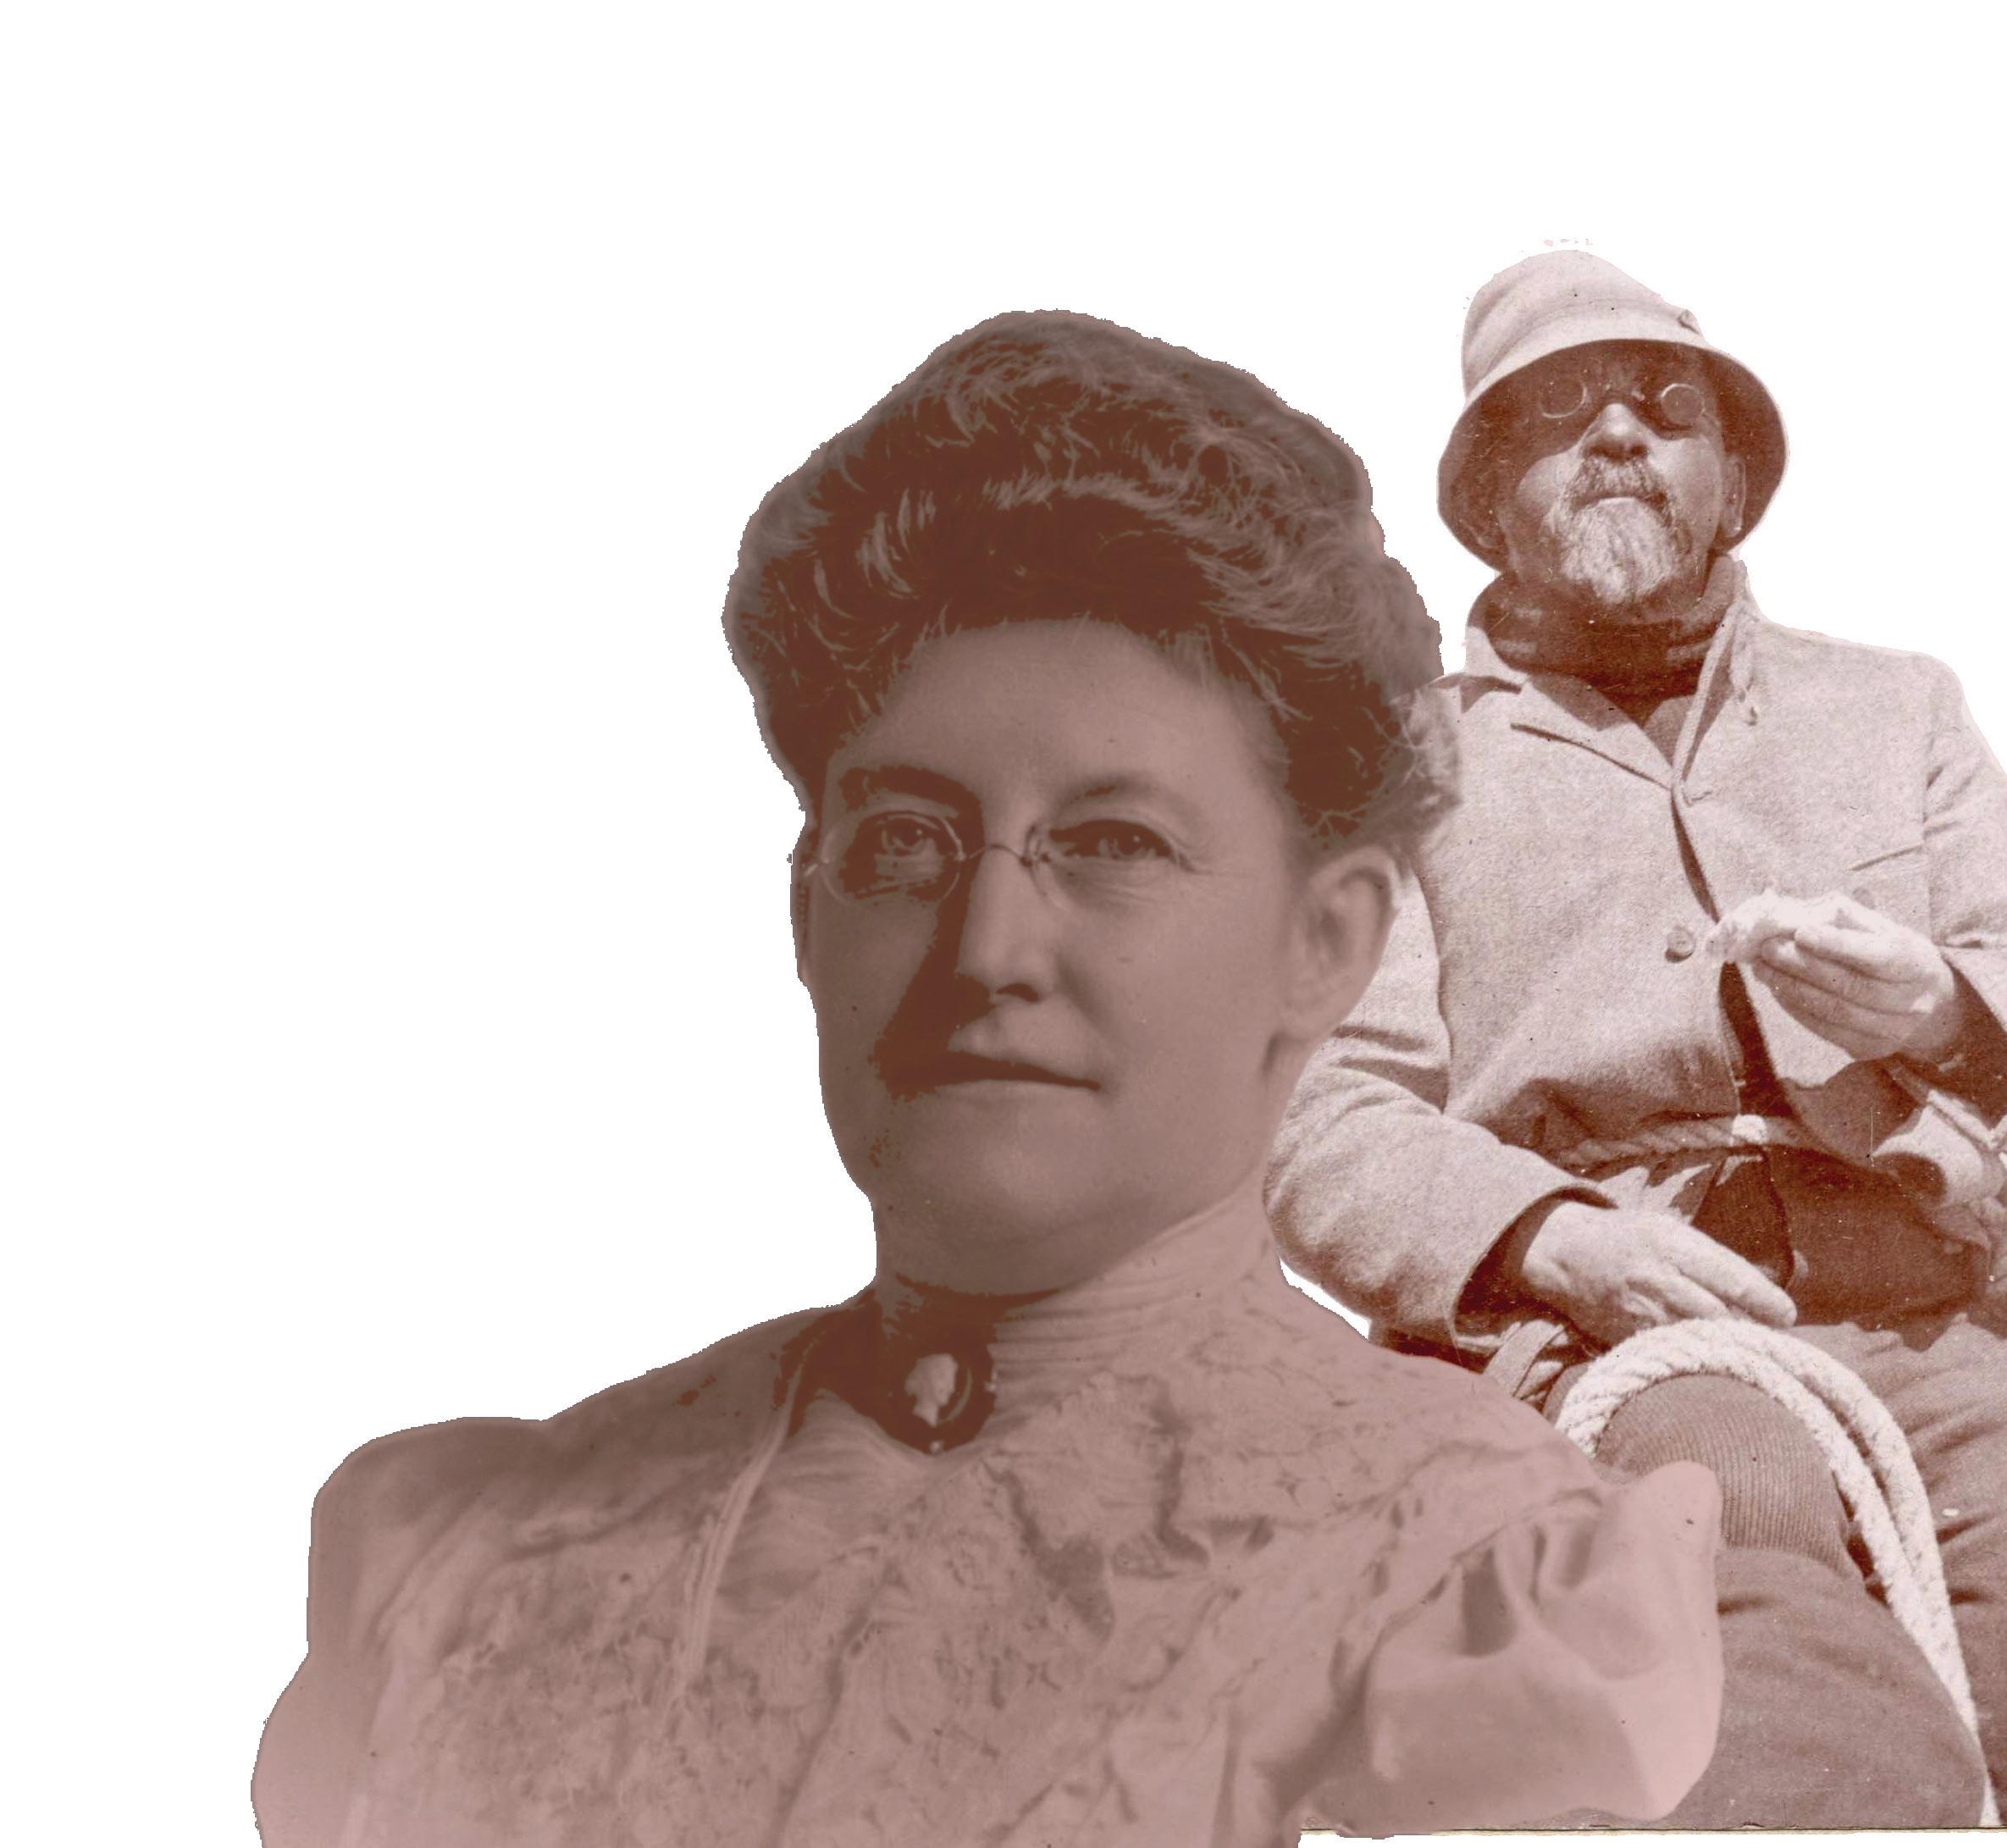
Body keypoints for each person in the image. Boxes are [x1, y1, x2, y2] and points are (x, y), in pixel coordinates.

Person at [252, 311, 1734, 1846]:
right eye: (905, 840)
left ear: (1325, 944)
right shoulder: (467, 1551)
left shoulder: (1479, 1588)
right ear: (806, 915)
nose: (986, 949)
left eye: (1114, 843)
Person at [1268, 250, 2007, 1826]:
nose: (1619, 435)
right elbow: (1319, 1114)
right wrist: (1556, 1238)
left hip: (1937, 1322)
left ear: (1732, 482)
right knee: (1768, 1609)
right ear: (1492, 498)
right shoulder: (1383, 771)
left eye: (1665, 407)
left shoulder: (1897, 711)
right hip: (1608, 1336)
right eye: (1559, 414)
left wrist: (1943, 1008)